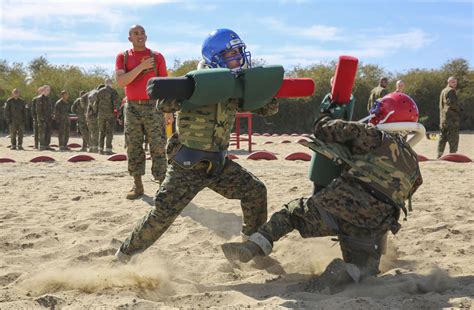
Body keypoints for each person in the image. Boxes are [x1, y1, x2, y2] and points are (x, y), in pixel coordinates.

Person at [114, 28, 279, 263]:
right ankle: (124, 256)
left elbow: (267, 108)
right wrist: (196, 90)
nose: (238, 58)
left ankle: (249, 247)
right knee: (162, 215)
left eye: (239, 53)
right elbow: (163, 105)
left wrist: (260, 89)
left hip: (218, 165)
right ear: (215, 58)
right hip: (187, 166)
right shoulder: (196, 81)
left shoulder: (235, 86)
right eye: (231, 54)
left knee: (255, 191)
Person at [222, 108, 423, 292]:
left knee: (292, 212)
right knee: (362, 270)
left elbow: (323, 130)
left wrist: (327, 112)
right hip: (372, 228)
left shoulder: (373, 135)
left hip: (338, 206)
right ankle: (348, 270)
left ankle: (253, 246)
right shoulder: (415, 167)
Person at [115, 24, 172, 199]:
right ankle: (138, 185)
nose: (139, 36)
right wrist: (141, 67)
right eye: (135, 33)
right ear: (129, 38)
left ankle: (163, 185)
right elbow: (121, 81)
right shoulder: (123, 57)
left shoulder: (157, 57)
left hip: (154, 106)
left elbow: (165, 85)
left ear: (146, 37)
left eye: (142, 33)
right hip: (132, 107)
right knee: (133, 146)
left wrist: (168, 110)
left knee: (158, 146)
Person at [309, 76, 355, 195]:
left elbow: (346, 118)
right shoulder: (327, 99)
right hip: (325, 145)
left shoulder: (350, 99)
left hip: (339, 145)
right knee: (319, 186)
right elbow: (323, 118)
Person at [437, 76, 460, 158]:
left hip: (443, 119)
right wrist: (459, 109)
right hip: (452, 119)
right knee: (453, 137)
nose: (455, 84)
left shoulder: (443, 91)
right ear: (449, 82)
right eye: (453, 82)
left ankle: (439, 154)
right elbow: (451, 103)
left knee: (442, 137)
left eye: (456, 82)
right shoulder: (451, 91)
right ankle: (453, 154)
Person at [97, 78, 119, 155]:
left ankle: (100, 149)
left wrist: (97, 112)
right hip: (110, 115)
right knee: (109, 132)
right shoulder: (113, 91)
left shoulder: (99, 91)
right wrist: (117, 112)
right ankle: (108, 149)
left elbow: (96, 103)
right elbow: (115, 103)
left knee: (101, 131)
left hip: (101, 114)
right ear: (111, 83)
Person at [36, 85, 53, 151]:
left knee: (48, 132)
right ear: (43, 90)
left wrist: (51, 115)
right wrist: (41, 118)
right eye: (47, 90)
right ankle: (42, 145)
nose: (48, 91)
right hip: (42, 119)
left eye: (49, 90)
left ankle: (47, 145)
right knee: (42, 132)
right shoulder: (39, 98)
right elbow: (38, 110)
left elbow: (50, 108)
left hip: (48, 118)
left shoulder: (48, 98)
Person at [86, 85, 103, 153]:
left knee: (91, 132)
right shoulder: (97, 93)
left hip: (89, 115)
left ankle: (91, 147)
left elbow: (82, 99)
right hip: (94, 116)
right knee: (95, 132)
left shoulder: (91, 93)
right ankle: (95, 148)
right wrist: (96, 112)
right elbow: (95, 106)